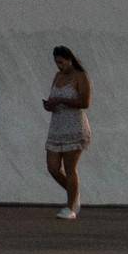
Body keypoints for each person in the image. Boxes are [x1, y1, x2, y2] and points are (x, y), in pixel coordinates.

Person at [41, 47, 93, 219]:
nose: (59, 66)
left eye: (61, 62)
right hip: (57, 127)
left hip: (74, 127)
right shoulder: (58, 76)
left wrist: (62, 100)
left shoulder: (80, 76)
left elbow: (85, 102)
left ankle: (70, 208)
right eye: (56, 63)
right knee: (53, 167)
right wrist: (49, 104)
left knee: (70, 168)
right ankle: (74, 194)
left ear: (69, 59)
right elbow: (53, 97)